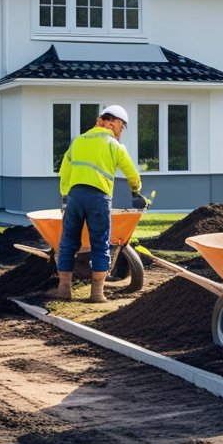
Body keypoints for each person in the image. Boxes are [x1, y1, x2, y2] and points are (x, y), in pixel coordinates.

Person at [53, 104, 147, 303]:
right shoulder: (114, 145)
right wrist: (136, 189)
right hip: (99, 199)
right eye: (122, 126)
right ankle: (96, 294)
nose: (121, 131)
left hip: (75, 197)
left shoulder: (78, 141)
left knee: (68, 243)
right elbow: (131, 173)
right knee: (100, 244)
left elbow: (65, 171)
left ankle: (63, 290)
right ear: (113, 123)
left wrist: (65, 196)